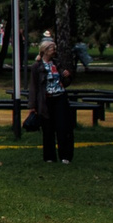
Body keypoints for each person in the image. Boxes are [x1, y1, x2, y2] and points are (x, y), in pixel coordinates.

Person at [33, 36, 77, 164]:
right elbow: (34, 86)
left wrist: (67, 77)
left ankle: (65, 156)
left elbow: (65, 81)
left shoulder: (57, 64)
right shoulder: (38, 66)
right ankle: (49, 157)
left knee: (63, 127)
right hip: (46, 100)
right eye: (52, 48)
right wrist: (33, 105)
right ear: (45, 50)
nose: (54, 50)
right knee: (48, 128)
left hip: (60, 98)